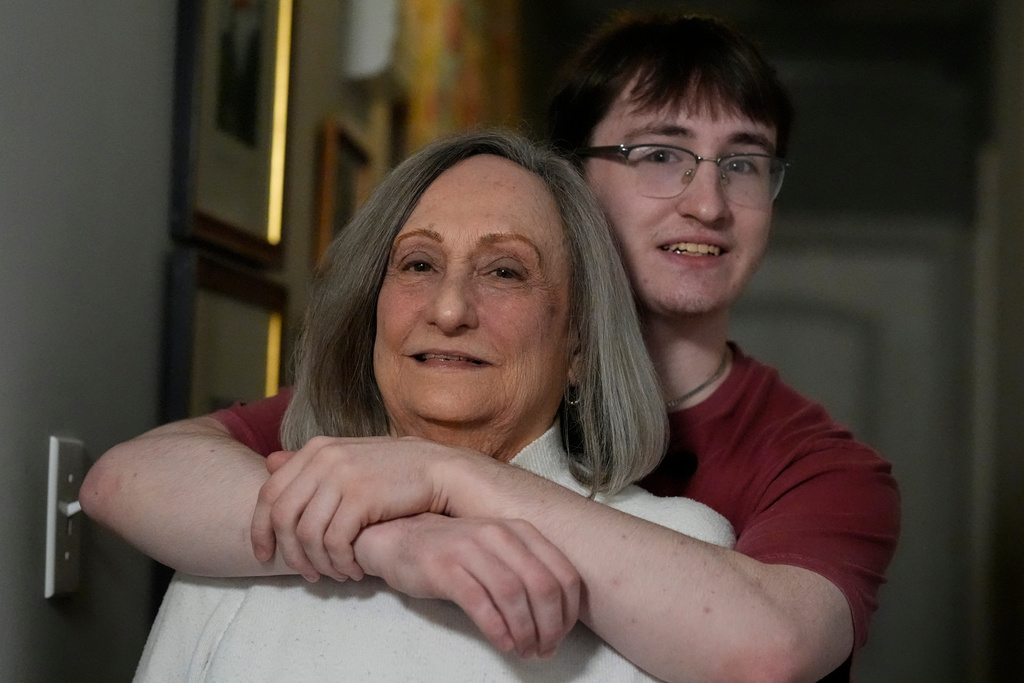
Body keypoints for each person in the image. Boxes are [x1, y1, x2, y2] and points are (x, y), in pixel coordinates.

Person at [82, 12, 899, 683]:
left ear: (577, 339)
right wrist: (396, 535)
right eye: (659, 154)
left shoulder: (818, 469)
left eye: (746, 163)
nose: (709, 201)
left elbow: (767, 650)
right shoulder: (409, 393)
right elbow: (130, 479)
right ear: (572, 181)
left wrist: (447, 476)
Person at [133, 130, 735, 681]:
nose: (448, 311)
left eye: (504, 271)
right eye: (418, 264)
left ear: (578, 340)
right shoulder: (237, 540)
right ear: (370, 314)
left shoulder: (679, 548)